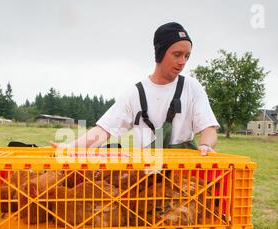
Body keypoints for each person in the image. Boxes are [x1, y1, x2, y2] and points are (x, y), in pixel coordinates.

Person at [52, 22, 219, 156]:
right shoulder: (136, 94)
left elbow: (208, 127)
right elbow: (104, 130)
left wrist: (205, 145)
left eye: (187, 56)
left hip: (186, 174)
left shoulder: (192, 87)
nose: (182, 61)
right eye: (177, 55)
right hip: (147, 176)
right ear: (160, 52)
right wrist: (70, 147)